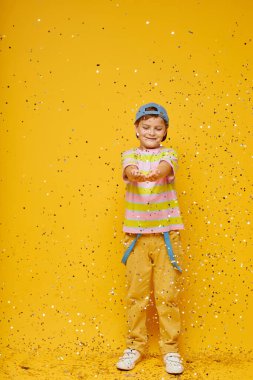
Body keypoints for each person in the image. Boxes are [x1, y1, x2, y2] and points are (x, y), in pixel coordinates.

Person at [116, 102, 185, 375]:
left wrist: (157, 172)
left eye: (158, 128)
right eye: (146, 127)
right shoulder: (129, 154)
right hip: (136, 238)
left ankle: (171, 350)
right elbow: (130, 170)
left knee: (168, 296)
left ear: (165, 131)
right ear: (136, 128)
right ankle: (135, 345)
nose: (152, 132)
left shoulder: (169, 154)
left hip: (167, 236)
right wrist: (137, 174)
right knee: (137, 296)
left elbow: (167, 167)